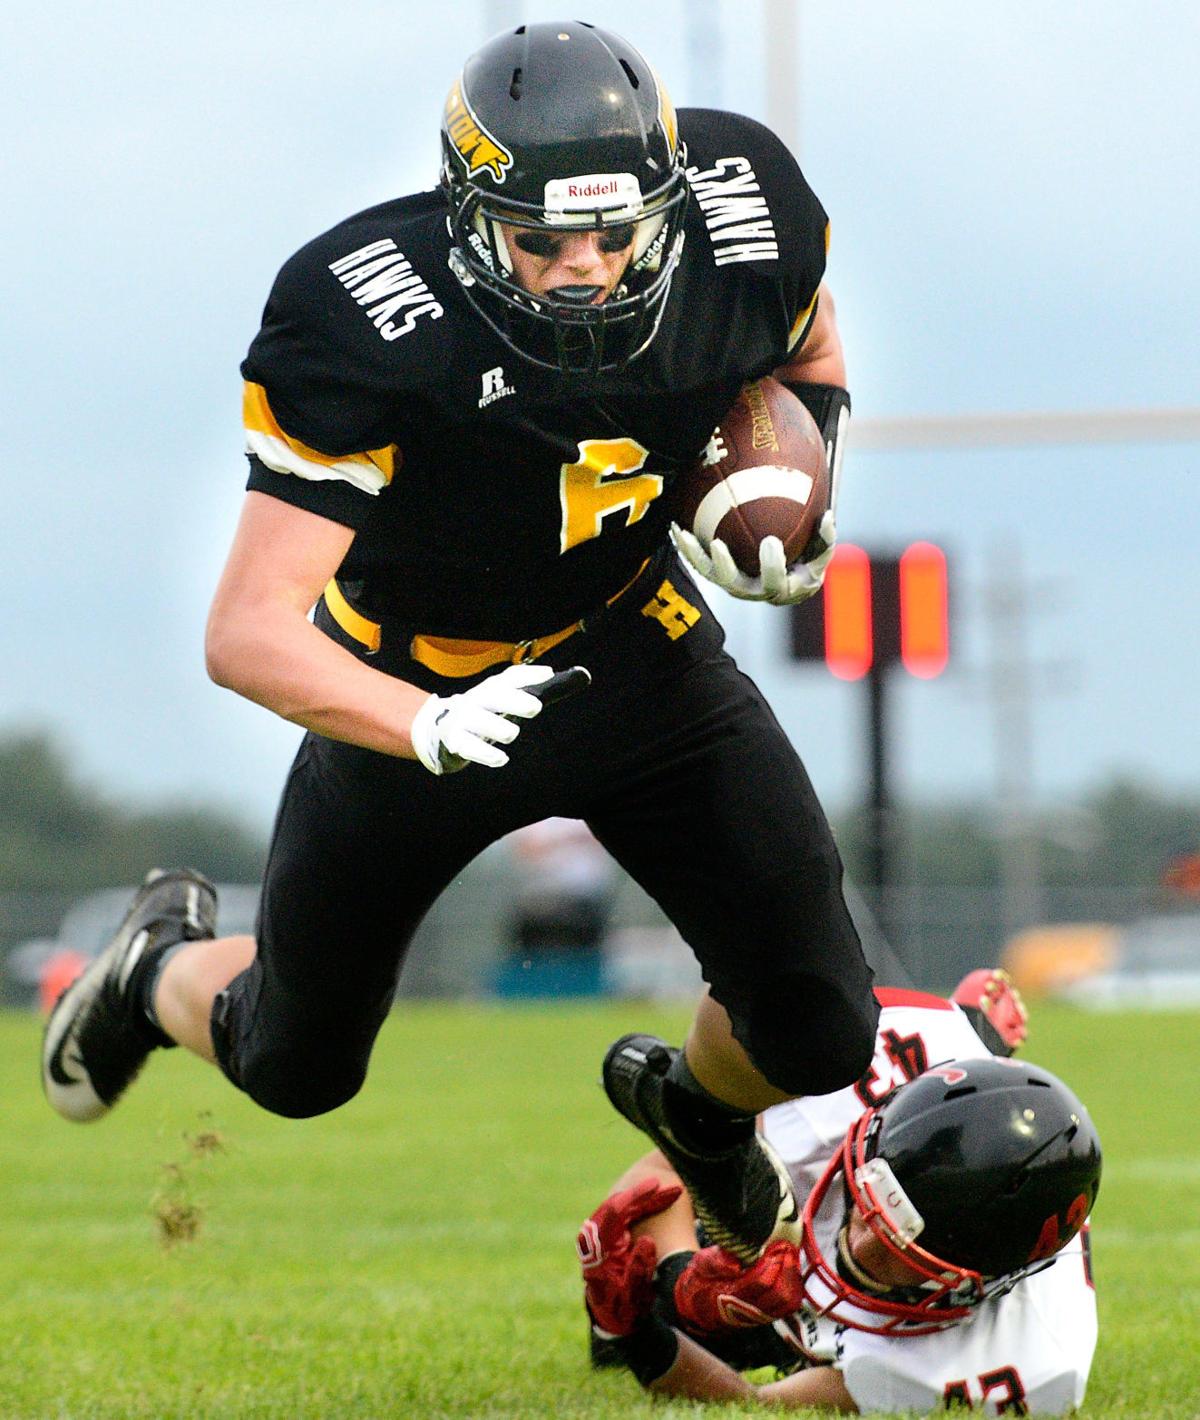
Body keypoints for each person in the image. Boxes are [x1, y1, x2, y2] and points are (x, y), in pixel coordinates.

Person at [42, 21, 877, 1261]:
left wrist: (799, 470)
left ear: (668, 199)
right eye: (541, 242)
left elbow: (806, 350)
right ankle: (154, 967)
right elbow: (247, 627)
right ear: (469, 215)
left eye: (612, 234)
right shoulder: (363, 311)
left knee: (817, 1028)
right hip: (416, 678)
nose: (583, 270)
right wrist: (417, 721)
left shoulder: (745, 214)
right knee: (295, 1061)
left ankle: (694, 1116)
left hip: (635, 649)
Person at [579, 970, 1103, 1415]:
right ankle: (976, 1031)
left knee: (706, 1333)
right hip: (896, 1050)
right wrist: (679, 1278)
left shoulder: (1030, 1359)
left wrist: (639, 1338)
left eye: (904, 1259)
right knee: (656, 1266)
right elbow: (661, 1173)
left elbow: (757, 1402)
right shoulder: (825, 1106)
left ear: (979, 1283)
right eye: (867, 1210)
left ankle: (979, 1032)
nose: (861, 1248)